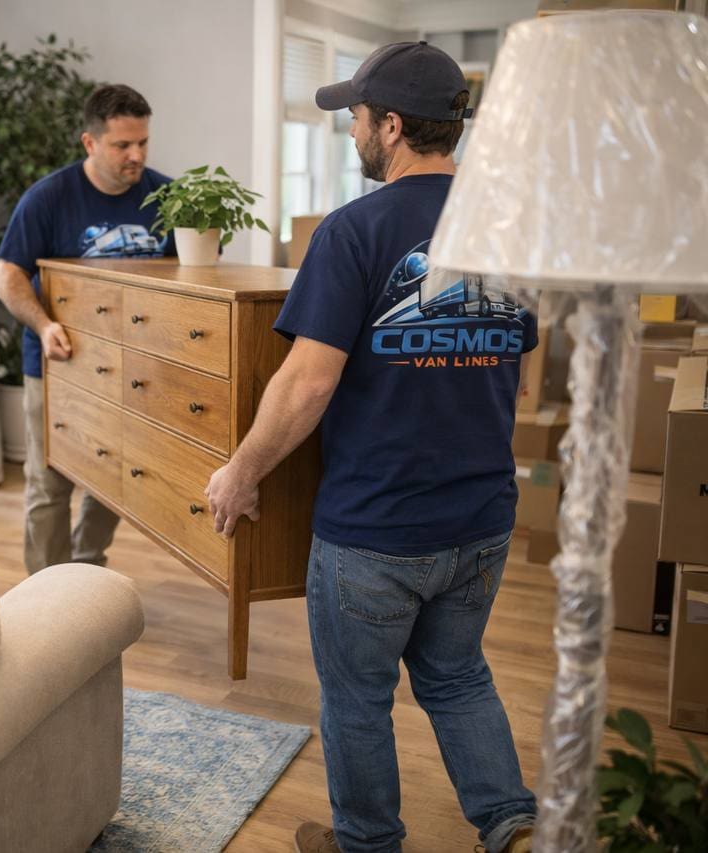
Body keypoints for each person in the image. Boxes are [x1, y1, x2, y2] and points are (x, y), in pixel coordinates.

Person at [203, 43, 538, 853]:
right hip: (481, 518)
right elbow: (523, 375)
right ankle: (513, 826)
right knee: (457, 675)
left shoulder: (353, 230)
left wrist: (241, 472)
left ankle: (366, 844)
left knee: (357, 698)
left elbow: (307, 383)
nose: (350, 130)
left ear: (391, 126)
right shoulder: (508, 232)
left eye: (355, 116)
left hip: (377, 529)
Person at [0, 83, 176, 574]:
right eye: (122, 145)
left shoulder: (168, 197)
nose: (136, 155)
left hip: (131, 369)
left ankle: (87, 567)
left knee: (116, 476)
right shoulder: (48, 198)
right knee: (49, 483)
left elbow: (190, 276)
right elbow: (7, 276)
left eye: (143, 142)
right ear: (90, 142)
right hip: (59, 364)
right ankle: (48, 590)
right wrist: (43, 324)